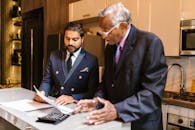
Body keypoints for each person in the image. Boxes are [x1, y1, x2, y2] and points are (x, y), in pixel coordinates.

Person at [74, 2, 168, 130]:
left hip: (142, 124)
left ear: (123, 26)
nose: (103, 35)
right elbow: (107, 82)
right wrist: (97, 101)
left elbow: (152, 94)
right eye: (101, 29)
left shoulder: (150, 43)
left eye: (107, 30)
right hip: (117, 124)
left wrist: (117, 110)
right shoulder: (110, 48)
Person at [34, 22, 99, 105]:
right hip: (56, 103)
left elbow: (92, 91)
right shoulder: (54, 55)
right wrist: (42, 92)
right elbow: (47, 80)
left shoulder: (91, 60)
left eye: (75, 39)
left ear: (82, 39)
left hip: (77, 105)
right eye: (67, 39)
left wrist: (73, 98)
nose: (70, 43)